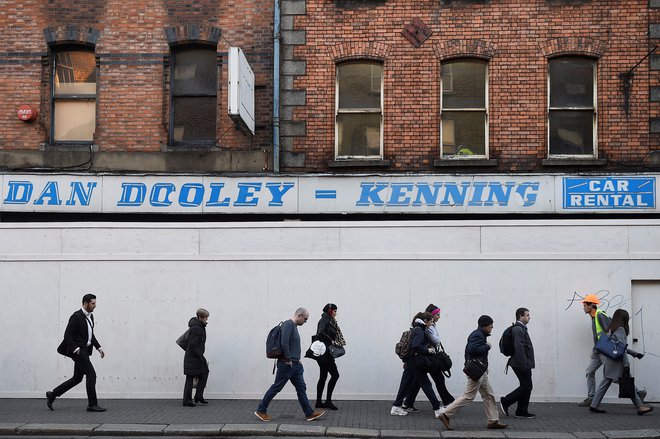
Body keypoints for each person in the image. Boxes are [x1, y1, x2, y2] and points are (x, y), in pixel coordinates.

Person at [255, 307, 326, 422]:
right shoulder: (288, 325)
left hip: (296, 365)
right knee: (276, 387)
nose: (305, 321)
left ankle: (309, 414)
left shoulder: (294, 327)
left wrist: (297, 359)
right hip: (287, 364)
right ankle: (261, 410)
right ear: (299, 315)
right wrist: (288, 359)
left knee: (301, 388)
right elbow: (284, 343)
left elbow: (292, 345)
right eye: (305, 319)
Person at [438, 315, 507, 431]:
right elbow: (472, 350)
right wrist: (486, 346)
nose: (492, 327)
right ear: (484, 325)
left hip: (481, 370)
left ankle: (493, 420)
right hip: (475, 371)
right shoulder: (477, 335)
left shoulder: (480, 334)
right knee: (468, 396)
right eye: (490, 325)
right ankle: (445, 414)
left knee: (488, 395)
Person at [46, 293, 107, 412]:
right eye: (93, 303)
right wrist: (76, 349)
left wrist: (98, 347)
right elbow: (67, 336)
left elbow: (90, 334)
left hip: (84, 350)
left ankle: (52, 394)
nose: (95, 305)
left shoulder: (90, 316)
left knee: (77, 378)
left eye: (95, 303)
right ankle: (92, 404)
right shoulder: (76, 317)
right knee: (91, 375)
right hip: (79, 351)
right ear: (85, 303)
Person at [589, 309, 652, 415]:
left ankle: (594, 405)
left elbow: (616, 347)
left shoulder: (611, 329)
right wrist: (626, 364)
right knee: (627, 383)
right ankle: (639, 407)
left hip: (609, 360)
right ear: (624, 319)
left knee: (605, 382)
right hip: (617, 363)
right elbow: (621, 348)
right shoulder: (620, 330)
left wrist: (634, 353)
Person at [403, 304, 454, 411]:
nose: (439, 317)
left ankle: (407, 402)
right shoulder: (428, 327)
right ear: (431, 316)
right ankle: (445, 402)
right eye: (437, 315)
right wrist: (434, 344)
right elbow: (434, 341)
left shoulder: (429, 325)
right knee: (437, 379)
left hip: (425, 358)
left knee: (418, 381)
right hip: (429, 358)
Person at [500, 307, 536, 419]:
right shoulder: (519, 329)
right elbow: (519, 347)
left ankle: (521, 411)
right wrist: (524, 364)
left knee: (526, 386)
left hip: (523, 362)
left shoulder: (521, 329)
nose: (529, 317)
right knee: (527, 386)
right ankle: (506, 401)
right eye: (527, 315)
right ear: (520, 316)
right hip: (520, 363)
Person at [578, 294, 612, 407]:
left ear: (591, 305)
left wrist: (608, 349)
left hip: (605, 351)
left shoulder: (600, 316)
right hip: (597, 351)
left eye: (585, 305)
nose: (583, 307)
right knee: (589, 372)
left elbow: (611, 332)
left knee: (614, 376)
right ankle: (591, 397)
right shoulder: (593, 317)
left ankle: (637, 393)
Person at [314, 303, 345, 410]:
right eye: (335, 311)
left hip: (325, 353)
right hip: (325, 353)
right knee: (335, 375)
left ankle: (319, 402)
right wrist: (331, 340)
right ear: (330, 311)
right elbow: (320, 332)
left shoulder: (329, 320)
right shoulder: (325, 320)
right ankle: (327, 401)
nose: (336, 313)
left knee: (323, 376)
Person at [183, 308, 210, 407]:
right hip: (193, 357)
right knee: (190, 378)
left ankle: (198, 396)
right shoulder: (196, 328)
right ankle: (187, 400)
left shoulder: (198, 326)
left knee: (203, 374)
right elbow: (192, 344)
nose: (206, 319)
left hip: (193, 356)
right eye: (205, 317)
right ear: (200, 317)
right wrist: (200, 355)